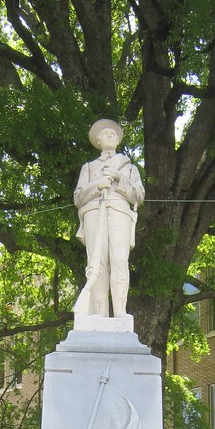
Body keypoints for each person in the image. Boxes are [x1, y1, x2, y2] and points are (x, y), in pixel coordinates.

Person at [73, 119, 144, 318]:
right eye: (106, 133)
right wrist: (97, 185)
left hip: (120, 213)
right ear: (98, 140)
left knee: (120, 260)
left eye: (113, 133)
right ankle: (99, 312)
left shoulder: (129, 167)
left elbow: (139, 195)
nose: (110, 135)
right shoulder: (89, 167)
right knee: (97, 262)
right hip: (94, 213)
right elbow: (78, 197)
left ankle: (121, 310)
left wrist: (120, 178)